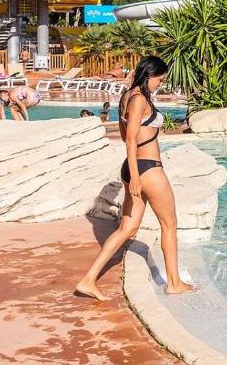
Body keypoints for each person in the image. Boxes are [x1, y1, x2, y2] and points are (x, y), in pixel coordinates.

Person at [76, 56, 192, 301]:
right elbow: (129, 138)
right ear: (150, 76)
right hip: (147, 168)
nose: (159, 84)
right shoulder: (139, 99)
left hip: (132, 168)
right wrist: (137, 176)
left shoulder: (126, 97)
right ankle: (174, 283)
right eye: (159, 80)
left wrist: (132, 173)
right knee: (169, 225)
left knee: (126, 229)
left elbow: (124, 131)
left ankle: (88, 280)